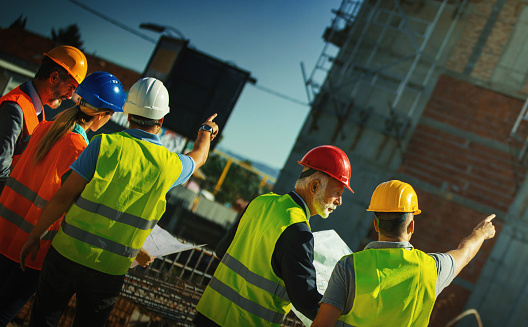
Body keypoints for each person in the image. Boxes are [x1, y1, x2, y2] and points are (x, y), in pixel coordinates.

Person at [19, 77, 219, 327]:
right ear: (161, 120)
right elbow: (199, 157)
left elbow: (63, 197)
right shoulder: (170, 165)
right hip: (109, 271)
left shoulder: (103, 144)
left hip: (66, 256)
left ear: (127, 115)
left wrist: (34, 235)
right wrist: (206, 132)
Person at [0, 71, 125, 326]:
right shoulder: (81, 150)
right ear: (102, 114)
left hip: (3, 230)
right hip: (34, 247)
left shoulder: (45, 127)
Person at [194, 145, 354, 326]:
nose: (339, 201)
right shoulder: (298, 232)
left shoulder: (259, 202)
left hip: (207, 315)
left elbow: (222, 250)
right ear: (314, 186)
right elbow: (306, 300)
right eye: (337, 192)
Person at [311, 180, 496, 327]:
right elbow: (465, 252)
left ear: (375, 224)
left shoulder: (348, 266)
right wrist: (481, 233)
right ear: (412, 226)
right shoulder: (432, 268)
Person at [0, 45, 87, 193]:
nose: (69, 96)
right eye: (71, 87)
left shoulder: (37, 111)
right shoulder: (14, 108)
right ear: (53, 78)